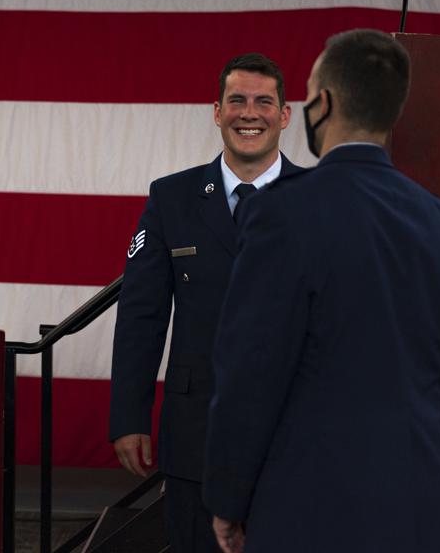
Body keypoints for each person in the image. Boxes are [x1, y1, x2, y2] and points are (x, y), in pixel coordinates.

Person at [203, 29, 440, 553]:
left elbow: (249, 374)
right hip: (424, 510)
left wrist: (229, 497)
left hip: (310, 512)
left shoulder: (282, 214)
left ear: (324, 104)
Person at [109, 53, 304, 551]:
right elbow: (141, 315)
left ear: (285, 115)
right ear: (216, 111)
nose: (249, 113)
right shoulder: (171, 198)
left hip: (295, 431)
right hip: (197, 429)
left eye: (264, 102)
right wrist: (129, 417)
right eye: (236, 100)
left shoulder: (318, 198)